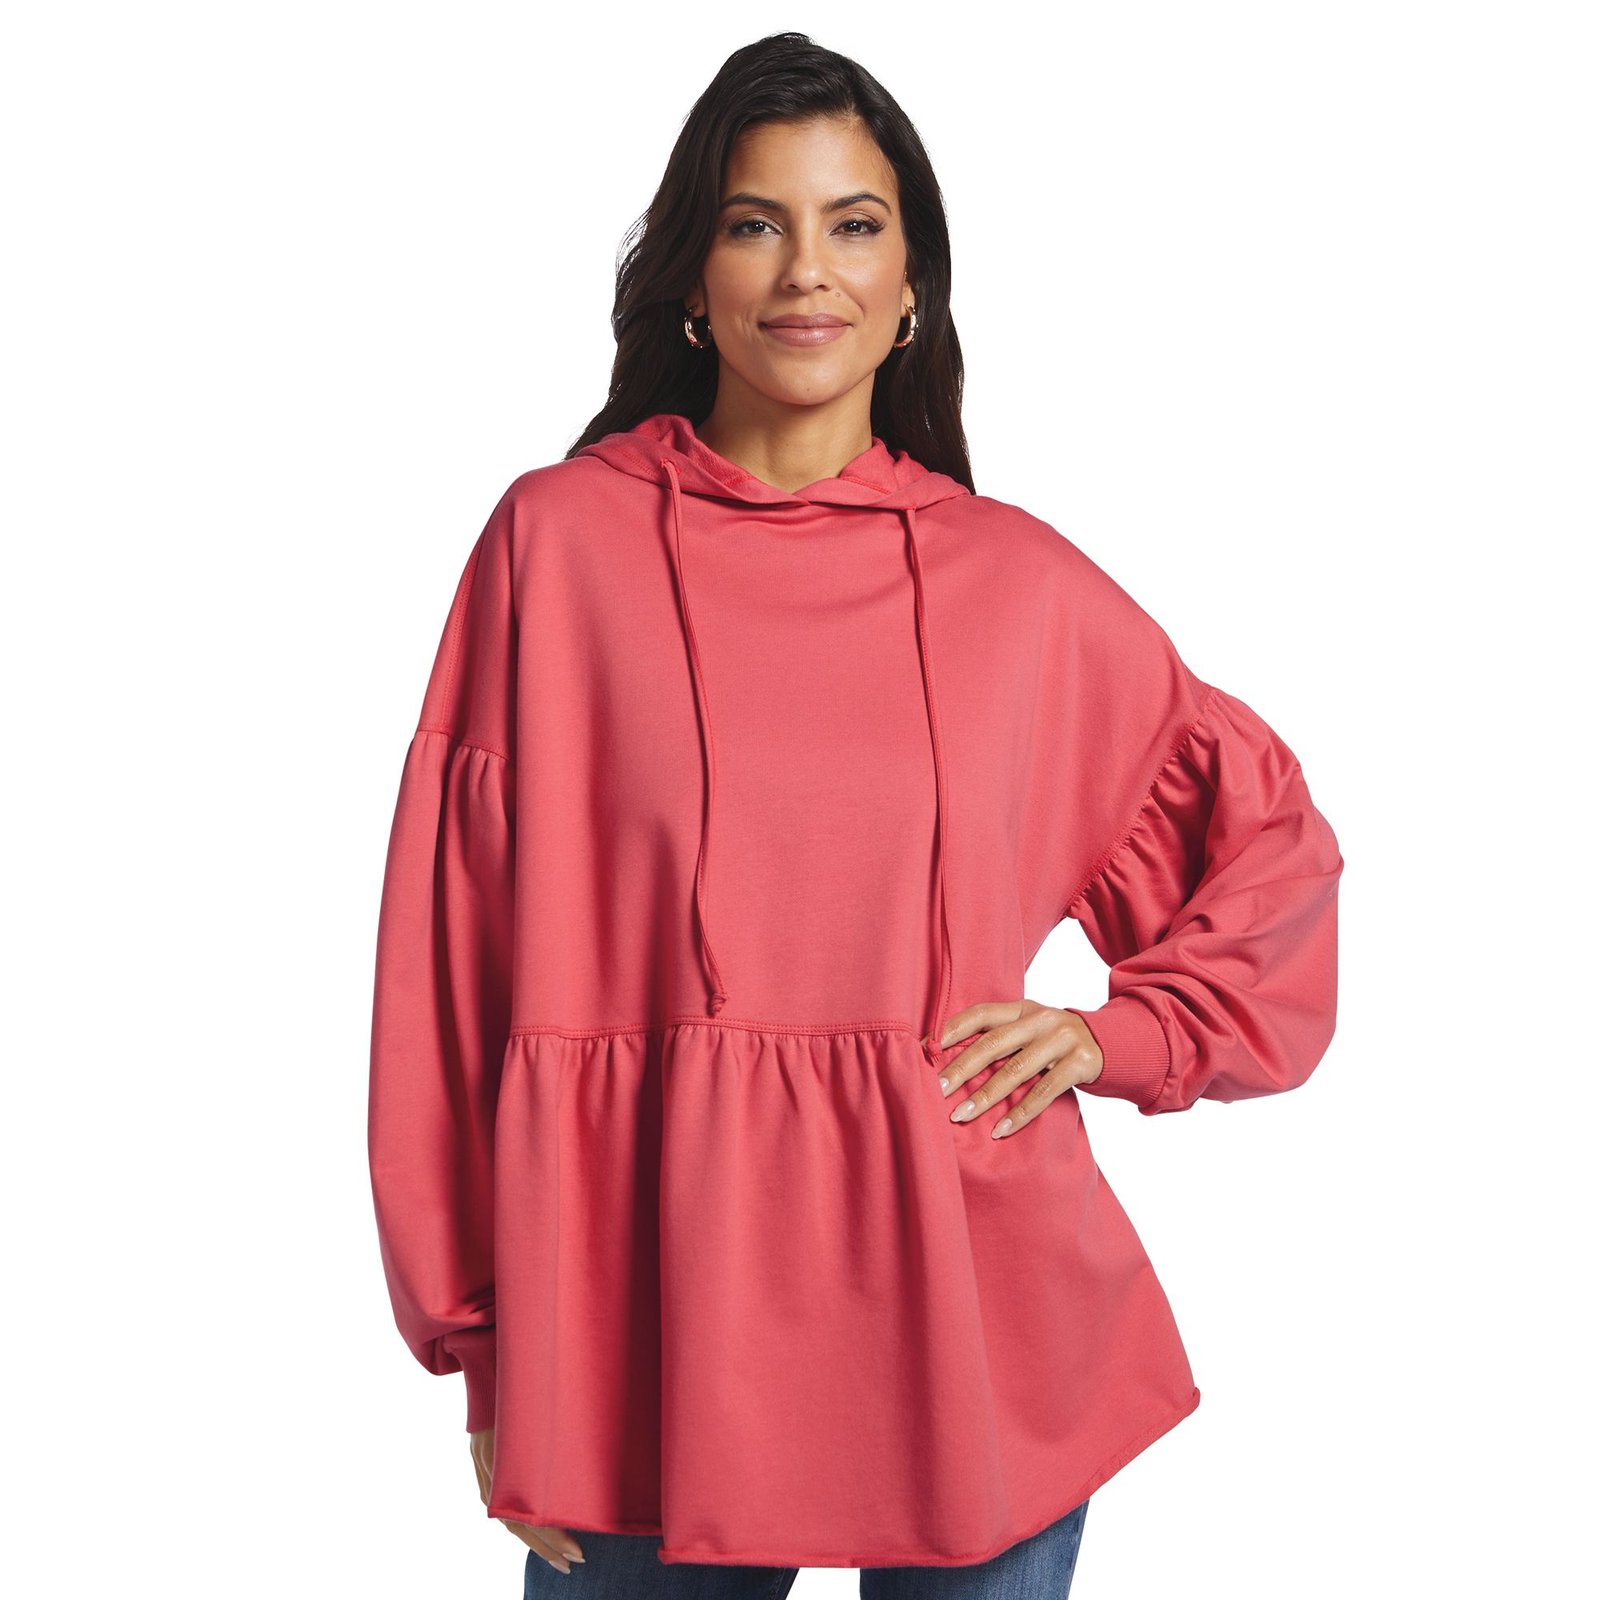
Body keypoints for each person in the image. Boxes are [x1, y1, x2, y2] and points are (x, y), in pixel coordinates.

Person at [366, 30, 1343, 1599]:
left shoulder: (1017, 585)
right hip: (635, 1332)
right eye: (756, 222)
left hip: (976, 1319)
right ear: (695, 278)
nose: (806, 270)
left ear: (911, 290)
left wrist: (1120, 1035)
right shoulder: (556, 548)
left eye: (855, 224)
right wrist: (481, 1344)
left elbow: (1267, 844)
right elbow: (451, 968)